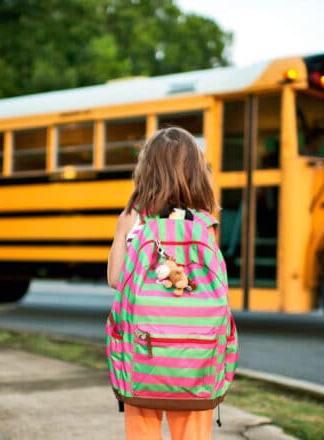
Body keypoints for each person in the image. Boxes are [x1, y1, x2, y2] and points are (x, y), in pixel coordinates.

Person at [107, 126, 218, 440]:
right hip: (195, 358)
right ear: (196, 171)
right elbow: (212, 286)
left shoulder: (132, 217)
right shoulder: (204, 221)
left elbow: (116, 279)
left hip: (144, 354)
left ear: (147, 169)